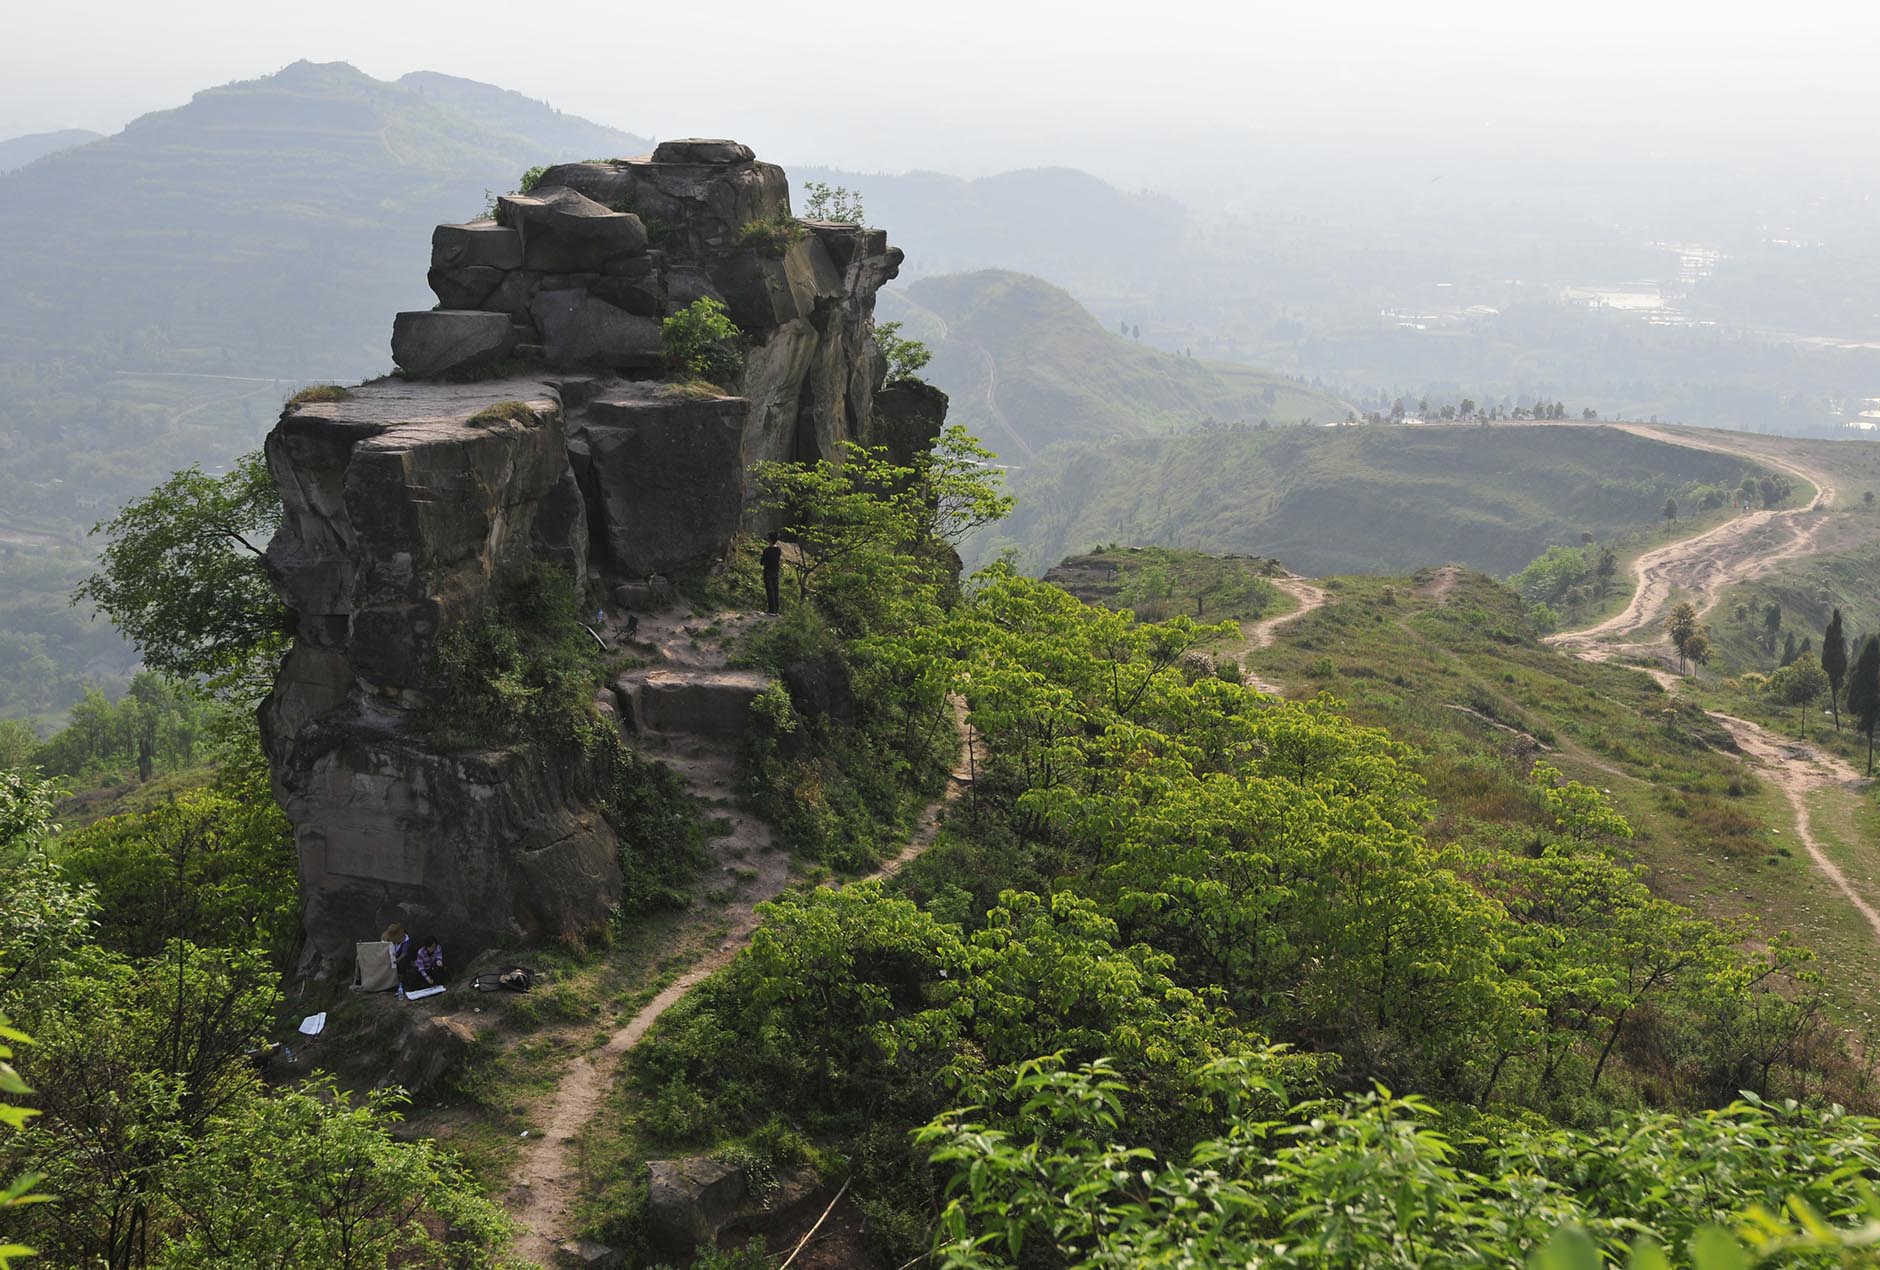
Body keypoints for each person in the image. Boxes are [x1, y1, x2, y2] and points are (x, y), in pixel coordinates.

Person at [760, 532, 784, 615]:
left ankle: (771, 610)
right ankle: (776, 610)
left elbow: (762, 562)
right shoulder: (778, 550)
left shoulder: (767, 550)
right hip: (776, 572)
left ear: (770, 539)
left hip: (768, 572)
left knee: (770, 591)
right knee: (776, 590)